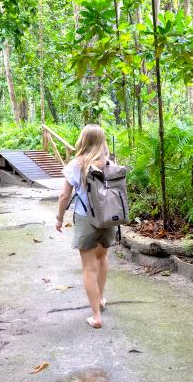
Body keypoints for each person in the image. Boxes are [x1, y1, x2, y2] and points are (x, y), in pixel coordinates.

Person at [55, 124, 115, 329]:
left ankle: (96, 316)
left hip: (85, 218)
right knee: (102, 257)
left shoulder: (75, 164)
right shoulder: (109, 163)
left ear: (83, 140)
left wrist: (59, 218)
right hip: (108, 218)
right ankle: (100, 298)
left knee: (89, 267)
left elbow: (64, 195)